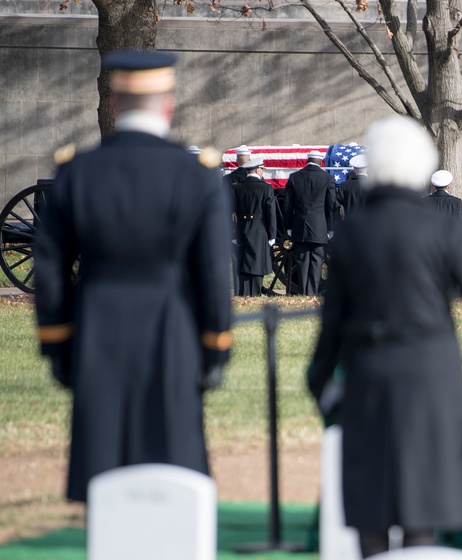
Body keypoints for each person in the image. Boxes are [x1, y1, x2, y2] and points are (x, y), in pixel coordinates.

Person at [307, 116, 462, 559]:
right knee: (421, 493)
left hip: (369, 369)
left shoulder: (352, 232)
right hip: (432, 374)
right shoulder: (440, 229)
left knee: (372, 492)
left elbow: (332, 322)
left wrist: (320, 382)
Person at [33, 49, 233, 503]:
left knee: (103, 454)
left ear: (116, 102)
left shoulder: (76, 171)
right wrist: (215, 345)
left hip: (97, 322)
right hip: (172, 324)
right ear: (169, 103)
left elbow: (49, 269)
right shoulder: (196, 175)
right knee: (173, 451)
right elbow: (211, 273)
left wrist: (58, 342)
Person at [284, 149, 338, 295]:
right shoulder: (327, 178)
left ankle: (303, 292)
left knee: (302, 260)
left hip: (300, 225)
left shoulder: (294, 177)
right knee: (316, 261)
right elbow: (330, 205)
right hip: (320, 226)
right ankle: (312, 292)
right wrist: (330, 228)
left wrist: (288, 227)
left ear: (307, 161)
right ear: (320, 161)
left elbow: (288, 205)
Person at [231, 156, 278, 297]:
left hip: (242, 227)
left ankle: (244, 293)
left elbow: (231, 211)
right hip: (260, 228)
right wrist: (272, 235)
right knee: (258, 262)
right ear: (258, 170)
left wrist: (234, 233)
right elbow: (271, 213)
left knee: (244, 262)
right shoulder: (266, 188)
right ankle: (256, 293)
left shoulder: (237, 187)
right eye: (262, 170)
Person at [425, 169, 462, 235]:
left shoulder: (424, 201)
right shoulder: (456, 203)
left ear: (434, 186)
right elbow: (460, 227)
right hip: (449, 242)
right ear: (448, 186)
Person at [336, 153, 368, 221]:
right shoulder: (374, 185)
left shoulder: (344, 185)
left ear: (354, 170)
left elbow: (336, 206)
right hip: (371, 226)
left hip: (350, 226)